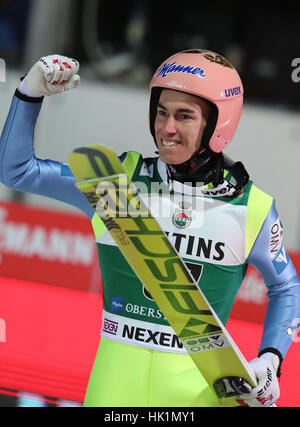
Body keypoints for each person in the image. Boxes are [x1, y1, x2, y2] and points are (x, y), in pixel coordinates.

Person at [0, 50, 300, 408]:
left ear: (219, 124)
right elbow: (17, 171)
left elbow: (287, 287)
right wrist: (29, 93)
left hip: (198, 396)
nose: (166, 128)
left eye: (183, 116)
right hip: (112, 389)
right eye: (161, 112)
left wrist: (270, 360)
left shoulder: (251, 208)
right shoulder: (115, 183)